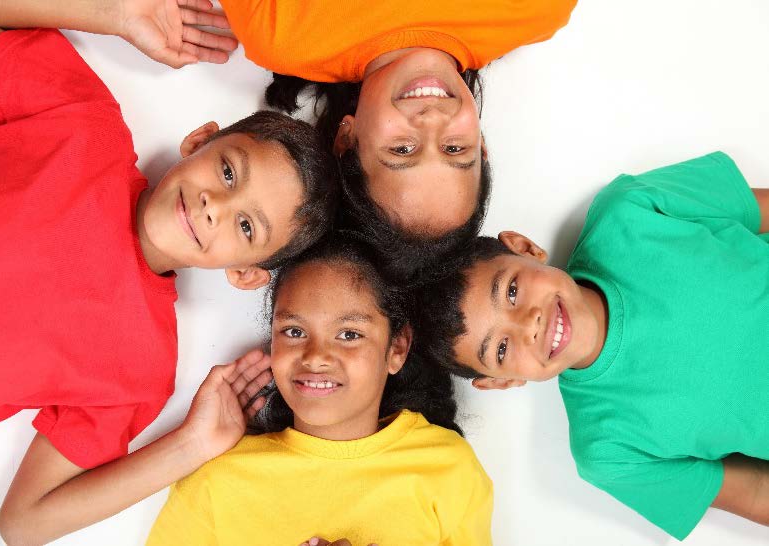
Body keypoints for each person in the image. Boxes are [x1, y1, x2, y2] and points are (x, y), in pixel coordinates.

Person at [0, 3, 337, 542]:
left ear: (247, 272)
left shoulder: (141, 367)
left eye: (246, 227)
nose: (214, 206)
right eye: (227, 171)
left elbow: (24, 523)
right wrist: (118, 14)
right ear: (199, 141)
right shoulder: (85, 121)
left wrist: (192, 446)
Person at [416, 152, 769, 539]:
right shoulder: (606, 452)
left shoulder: (629, 210)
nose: (528, 325)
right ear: (502, 382)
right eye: (500, 350)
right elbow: (754, 491)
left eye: (512, 290)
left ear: (524, 248)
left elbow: (757, 210)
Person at [147, 237, 494, 545]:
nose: (315, 357)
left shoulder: (449, 468)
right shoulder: (217, 480)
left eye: (349, 334)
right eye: (295, 332)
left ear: (397, 348)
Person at [219, 0, 577, 280]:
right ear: (481, 144)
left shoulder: (282, 33)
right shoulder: (536, 9)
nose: (432, 120)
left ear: (347, 137)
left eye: (402, 149)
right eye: (455, 149)